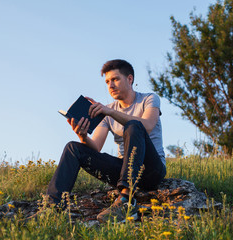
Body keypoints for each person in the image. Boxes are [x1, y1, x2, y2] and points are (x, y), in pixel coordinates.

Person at [46, 59, 166, 222]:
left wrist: (110, 112)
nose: (110, 85)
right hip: (124, 170)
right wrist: (82, 135)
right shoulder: (107, 112)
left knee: (134, 126)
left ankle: (125, 201)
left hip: (151, 170)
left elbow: (148, 125)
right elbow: (95, 147)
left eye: (115, 79)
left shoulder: (149, 99)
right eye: (107, 81)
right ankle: (51, 209)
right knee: (73, 148)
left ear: (129, 79)